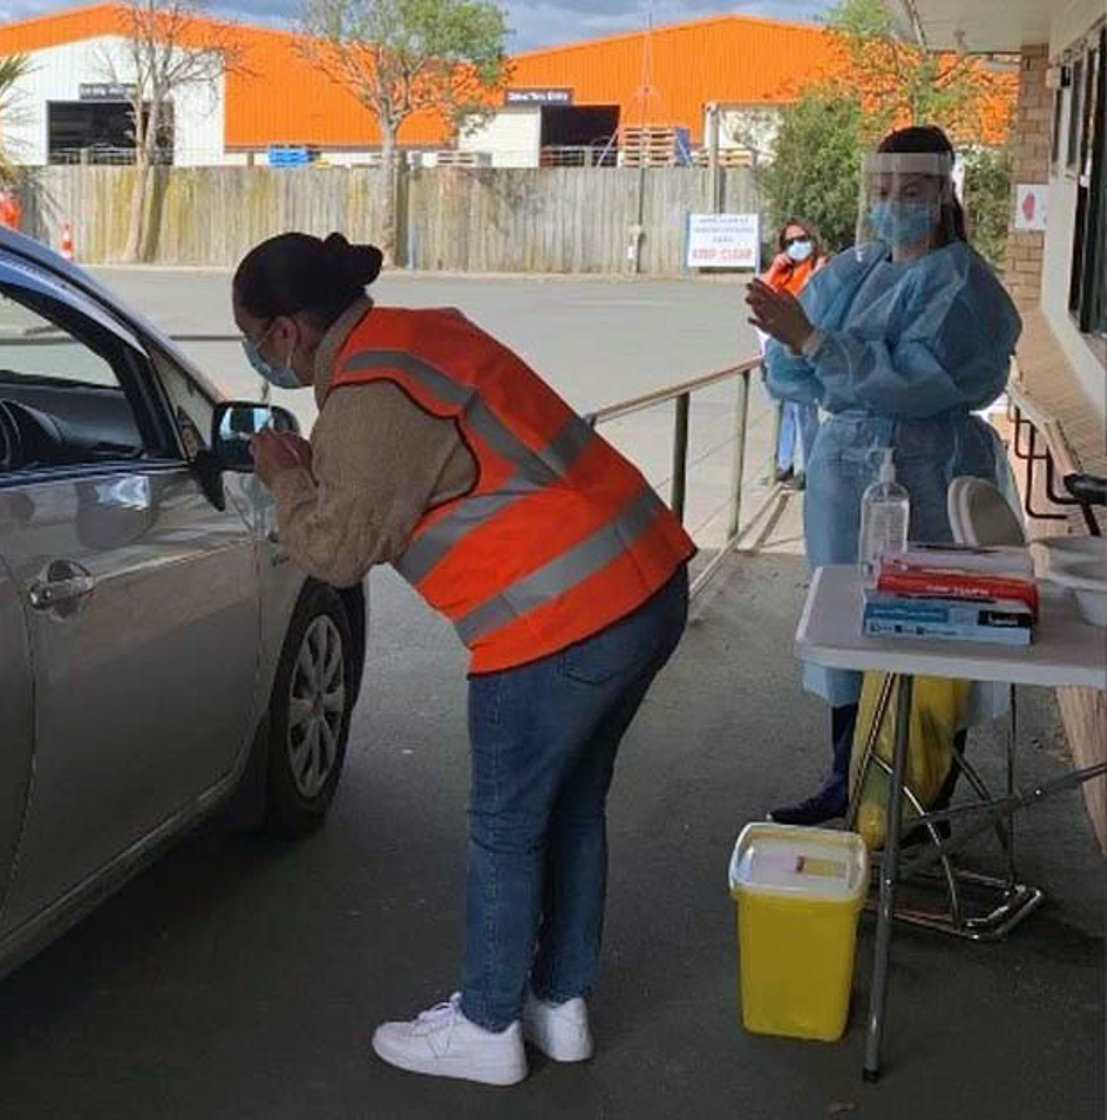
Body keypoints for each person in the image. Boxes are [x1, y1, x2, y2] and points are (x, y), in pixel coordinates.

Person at [238, 231, 695, 1086]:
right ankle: (559, 1006)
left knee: (507, 825)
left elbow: (336, 551)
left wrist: (285, 476)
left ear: (284, 336)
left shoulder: (371, 392)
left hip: (556, 621)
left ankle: (487, 1025)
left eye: (253, 339)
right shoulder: (421, 335)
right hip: (645, 580)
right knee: (573, 805)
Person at [745, 126, 1022, 827]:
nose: (894, 202)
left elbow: (914, 382)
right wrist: (799, 342)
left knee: (930, 630)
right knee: (846, 627)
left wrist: (812, 341)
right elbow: (795, 374)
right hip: (846, 476)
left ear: (943, 193)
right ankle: (847, 777)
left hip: (929, 475)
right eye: (884, 188)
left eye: (913, 189)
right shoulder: (859, 271)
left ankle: (925, 800)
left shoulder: (961, 284)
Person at [760, 219, 827, 488]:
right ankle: (783, 464)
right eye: (790, 242)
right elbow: (760, 292)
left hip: (803, 349)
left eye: (802, 239)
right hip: (775, 349)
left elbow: (811, 298)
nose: (797, 246)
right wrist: (775, 267)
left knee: (805, 412)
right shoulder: (784, 272)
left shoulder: (820, 268)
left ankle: (808, 468)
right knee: (784, 409)